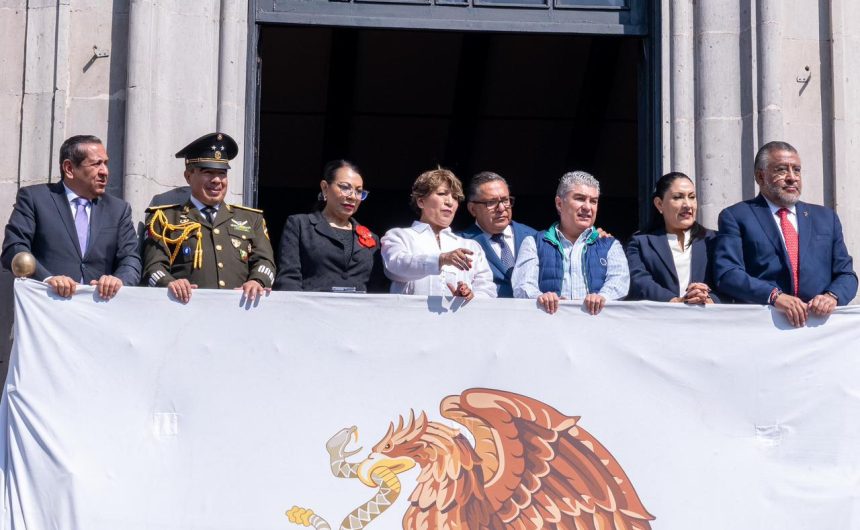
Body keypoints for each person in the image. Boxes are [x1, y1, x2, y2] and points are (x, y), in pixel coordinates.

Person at [714, 141, 857, 327]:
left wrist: (832, 296)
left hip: (819, 329)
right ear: (760, 176)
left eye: (796, 170)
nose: (792, 178)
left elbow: (846, 275)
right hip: (764, 326)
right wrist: (774, 296)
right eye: (782, 170)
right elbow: (727, 273)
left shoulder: (825, 218)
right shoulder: (736, 216)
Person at [141, 132, 276, 303]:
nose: (217, 180)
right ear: (188, 176)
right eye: (208, 172)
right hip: (184, 313)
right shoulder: (164, 219)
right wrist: (169, 283)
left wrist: (257, 281)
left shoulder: (251, 219)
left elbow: (266, 263)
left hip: (239, 314)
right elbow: (152, 268)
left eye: (222, 173)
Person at [1, 135, 140, 299]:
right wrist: (48, 279)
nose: (105, 171)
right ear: (69, 168)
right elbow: (14, 248)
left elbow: (131, 259)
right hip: (46, 307)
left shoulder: (118, 210)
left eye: (106, 163)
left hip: (99, 310)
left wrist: (118, 280)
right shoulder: (34, 199)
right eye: (97, 164)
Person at [512, 171, 628, 315]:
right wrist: (540, 298)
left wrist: (602, 297)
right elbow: (522, 286)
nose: (587, 207)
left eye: (593, 201)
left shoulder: (610, 244)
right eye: (580, 199)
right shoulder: (534, 243)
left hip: (597, 330)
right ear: (559, 204)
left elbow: (620, 282)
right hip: (548, 328)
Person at [381, 168, 496, 300]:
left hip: (459, 319)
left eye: (455, 197)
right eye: (442, 193)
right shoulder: (398, 236)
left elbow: (488, 289)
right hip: (411, 318)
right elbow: (395, 267)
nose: (450, 202)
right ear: (421, 201)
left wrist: (470, 296)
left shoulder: (470, 246)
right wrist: (440, 259)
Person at [273, 160, 385, 292]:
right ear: (325, 187)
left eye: (359, 191)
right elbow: (289, 278)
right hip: (311, 310)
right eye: (345, 187)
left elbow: (376, 288)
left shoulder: (372, 238)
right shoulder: (300, 225)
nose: (353, 197)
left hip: (357, 311)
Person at [626, 172, 720, 303]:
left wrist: (709, 299)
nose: (688, 204)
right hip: (660, 319)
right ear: (659, 204)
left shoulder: (714, 240)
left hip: (706, 319)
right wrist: (674, 301)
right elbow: (639, 281)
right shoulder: (640, 243)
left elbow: (727, 280)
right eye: (678, 197)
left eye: (692, 197)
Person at [457, 171, 537, 298]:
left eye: (505, 200)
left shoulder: (534, 237)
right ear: (472, 209)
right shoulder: (459, 243)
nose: (501, 208)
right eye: (491, 202)